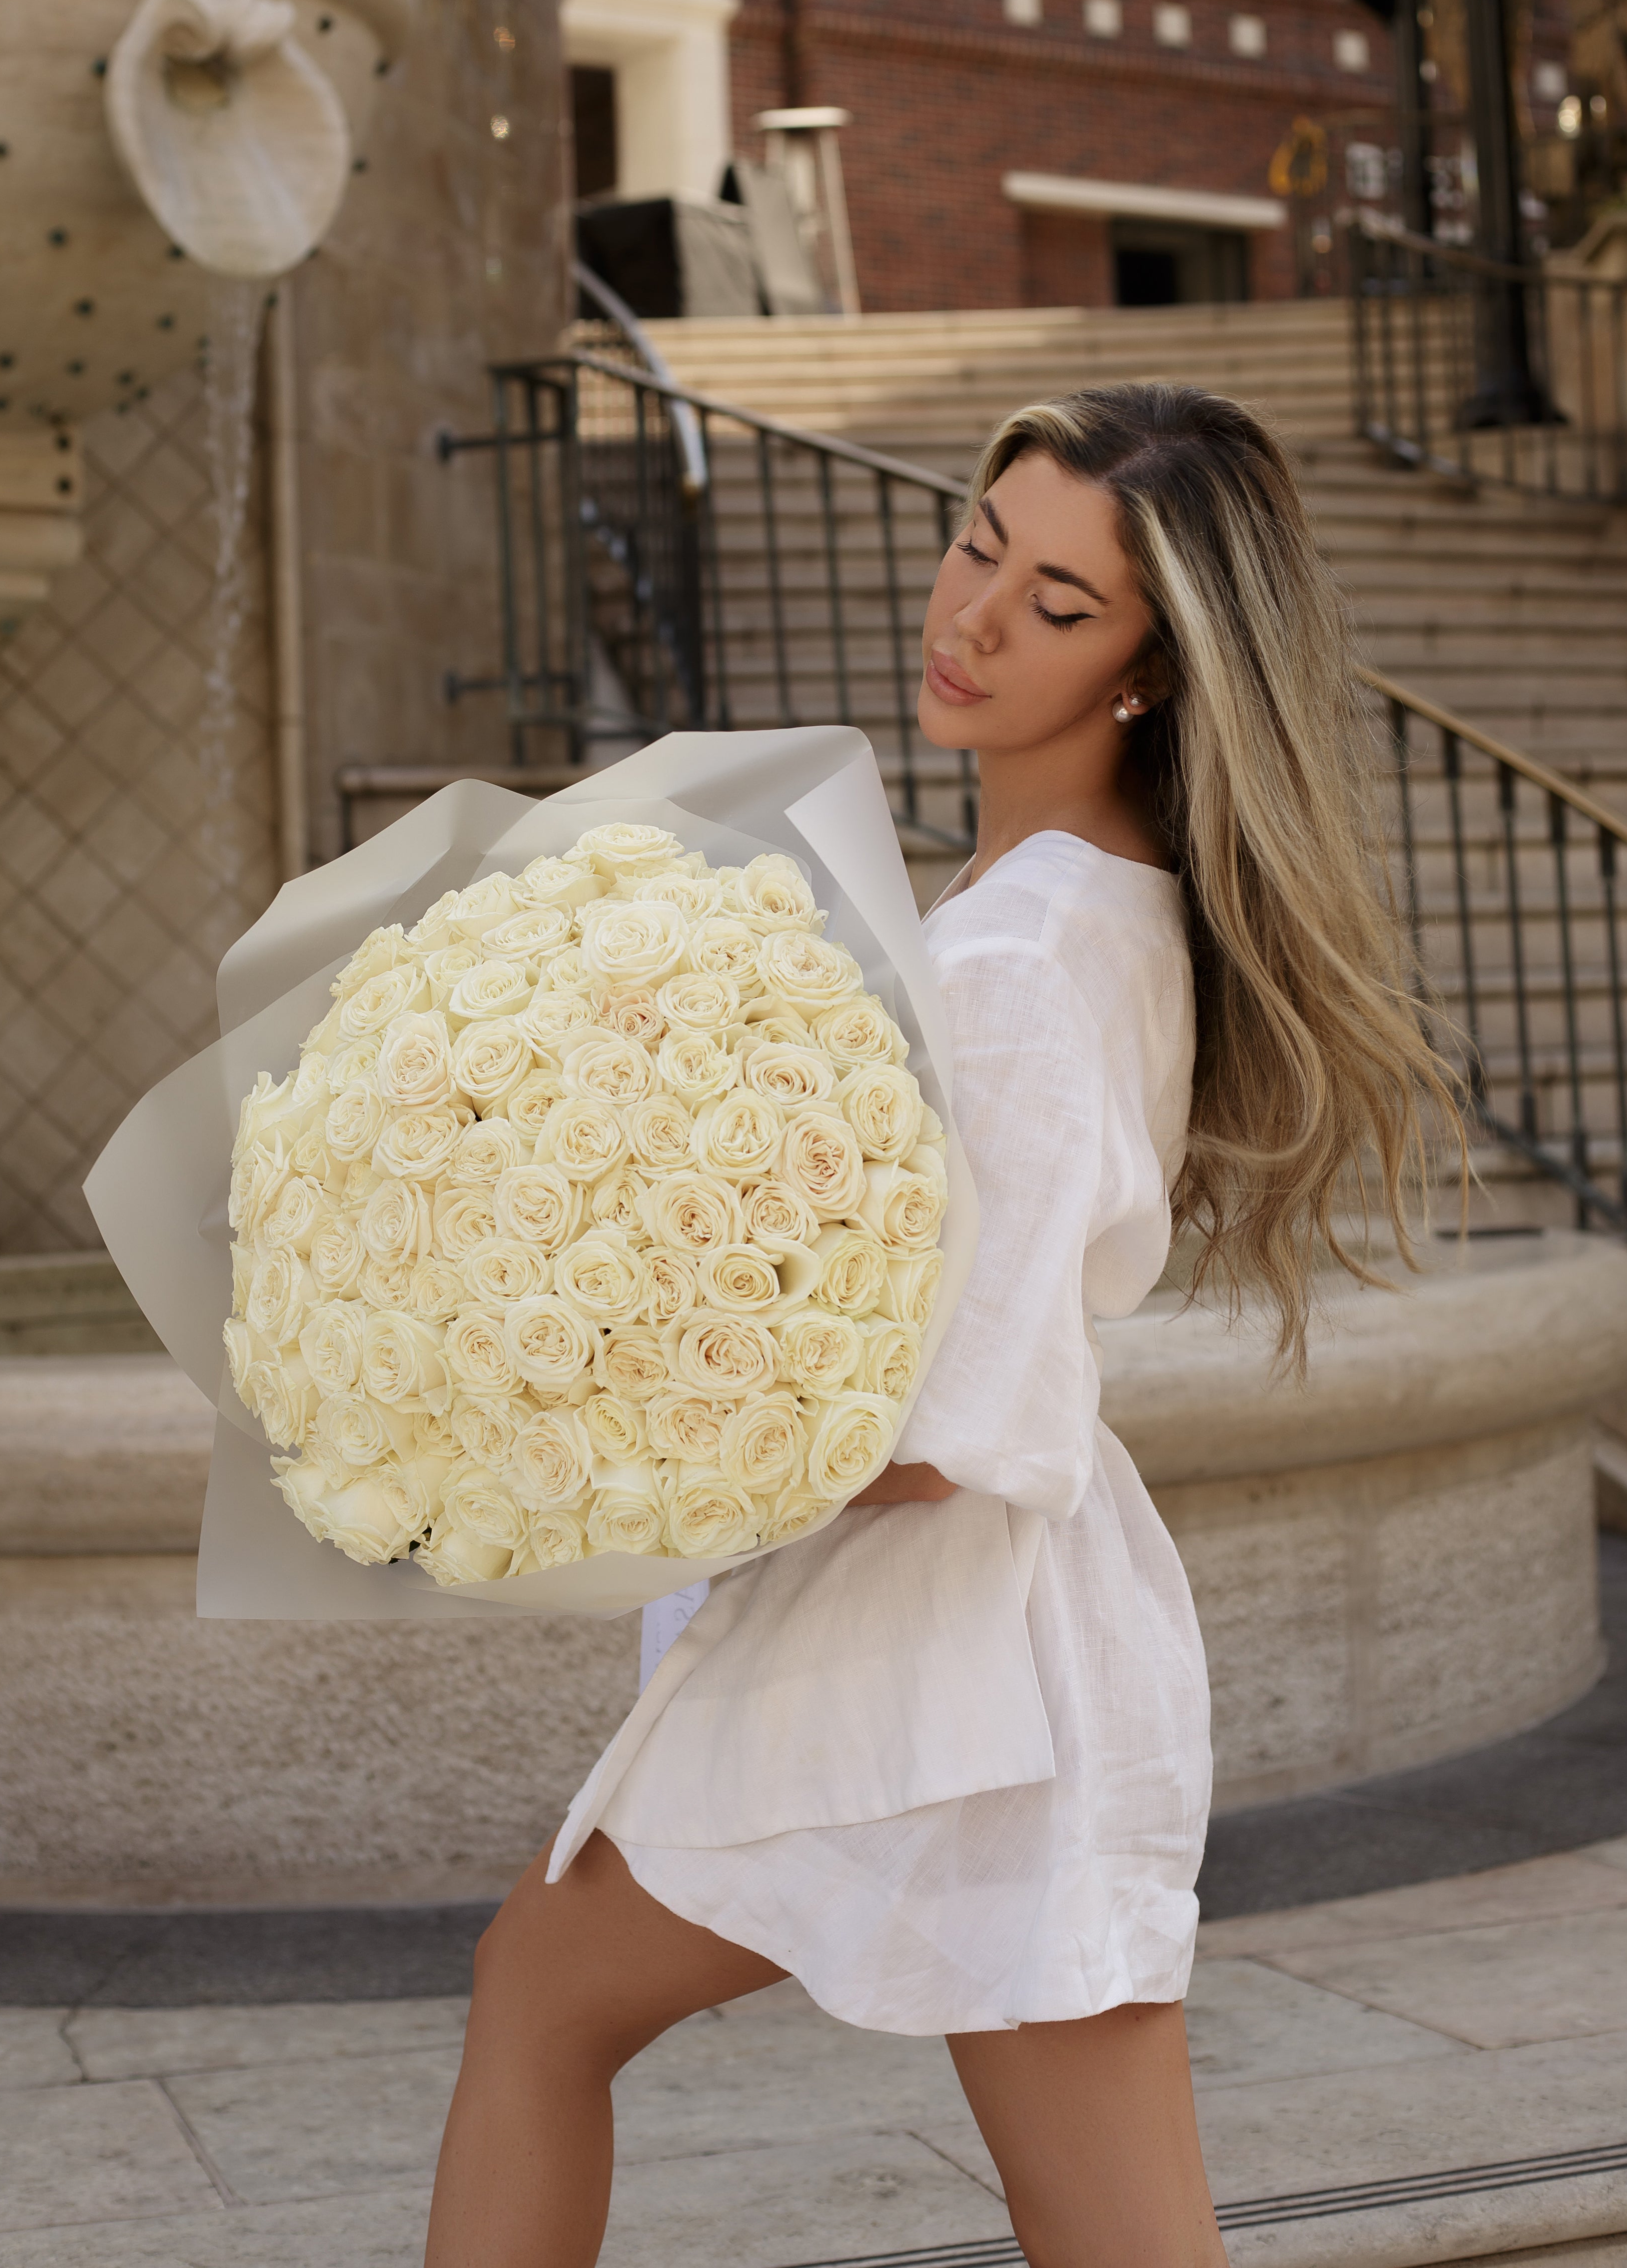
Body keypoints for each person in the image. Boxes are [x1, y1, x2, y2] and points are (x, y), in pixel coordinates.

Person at [423, 383, 1458, 2268]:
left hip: (926, 1659)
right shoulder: (1090, 910)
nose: (974, 617)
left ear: (1151, 673)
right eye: (983, 542)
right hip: (1024, 1651)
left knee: (536, 1998)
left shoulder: (1019, 957)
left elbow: (931, 1426)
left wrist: (591, 1434)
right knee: (1121, 2229)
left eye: (1061, 605)